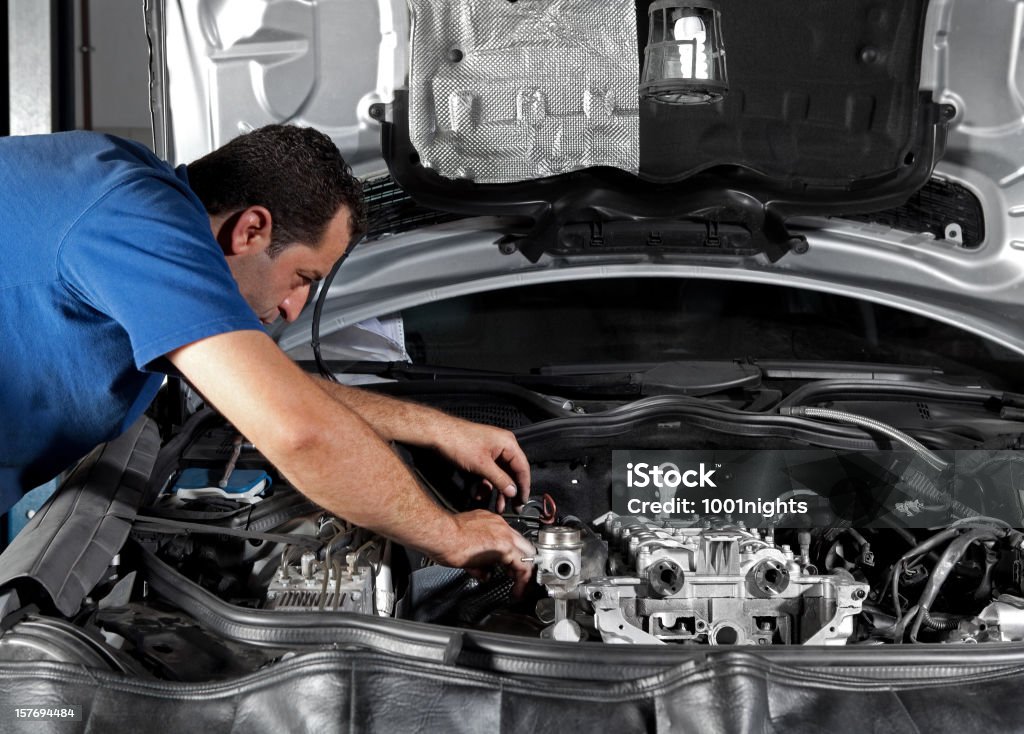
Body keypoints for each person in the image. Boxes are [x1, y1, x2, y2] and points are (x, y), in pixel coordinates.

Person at [0, 125, 536, 593]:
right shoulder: (136, 218)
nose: (291, 308)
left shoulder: (131, 196)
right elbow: (297, 429)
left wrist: (436, 429)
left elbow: (260, 387)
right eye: (303, 279)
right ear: (251, 229)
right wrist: (451, 536)